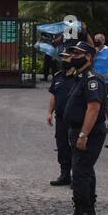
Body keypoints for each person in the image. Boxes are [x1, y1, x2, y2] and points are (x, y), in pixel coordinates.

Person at [60, 42, 108, 215]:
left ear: (88, 57)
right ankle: (88, 210)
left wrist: (83, 134)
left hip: (89, 132)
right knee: (85, 170)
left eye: (77, 53)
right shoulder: (81, 77)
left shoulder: (91, 79)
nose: (73, 56)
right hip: (80, 130)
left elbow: (93, 108)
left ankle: (81, 213)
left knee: (80, 172)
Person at [46, 42, 77, 187]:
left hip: (75, 119)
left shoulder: (79, 77)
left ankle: (76, 177)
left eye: (67, 57)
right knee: (62, 146)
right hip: (60, 118)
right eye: (62, 57)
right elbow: (54, 95)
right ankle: (64, 175)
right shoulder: (58, 76)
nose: (64, 60)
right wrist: (49, 112)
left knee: (75, 148)